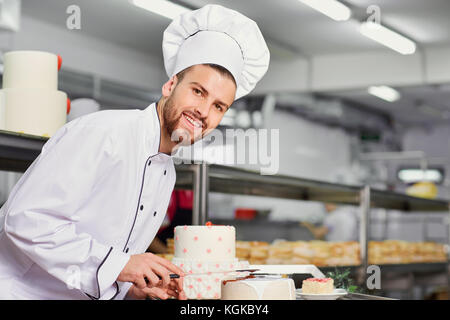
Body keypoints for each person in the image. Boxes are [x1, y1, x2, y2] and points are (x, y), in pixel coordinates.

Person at [0, 4, 269, 300]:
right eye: (198, 91)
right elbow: (26, 219)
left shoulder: (166, 171)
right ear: (170, 85)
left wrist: (132, 288)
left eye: (219, 106)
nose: (204, 111)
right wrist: (122, 265)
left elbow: (110, 260)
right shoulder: (103, 133)